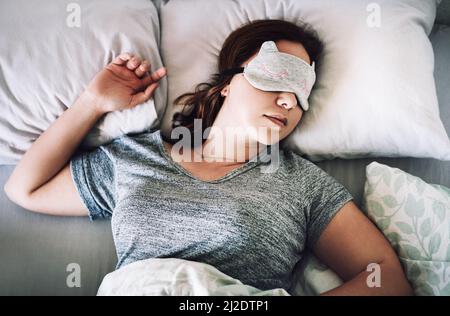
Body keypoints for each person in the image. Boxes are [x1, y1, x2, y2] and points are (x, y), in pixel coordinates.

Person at [4, 19, 413, 296]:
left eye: (303, 90)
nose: (289, 99)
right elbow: (26, 188)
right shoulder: (134, 158)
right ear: (226, 86)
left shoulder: (301, 184)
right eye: (277, 76)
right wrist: (91, 103)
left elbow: (386, 277)